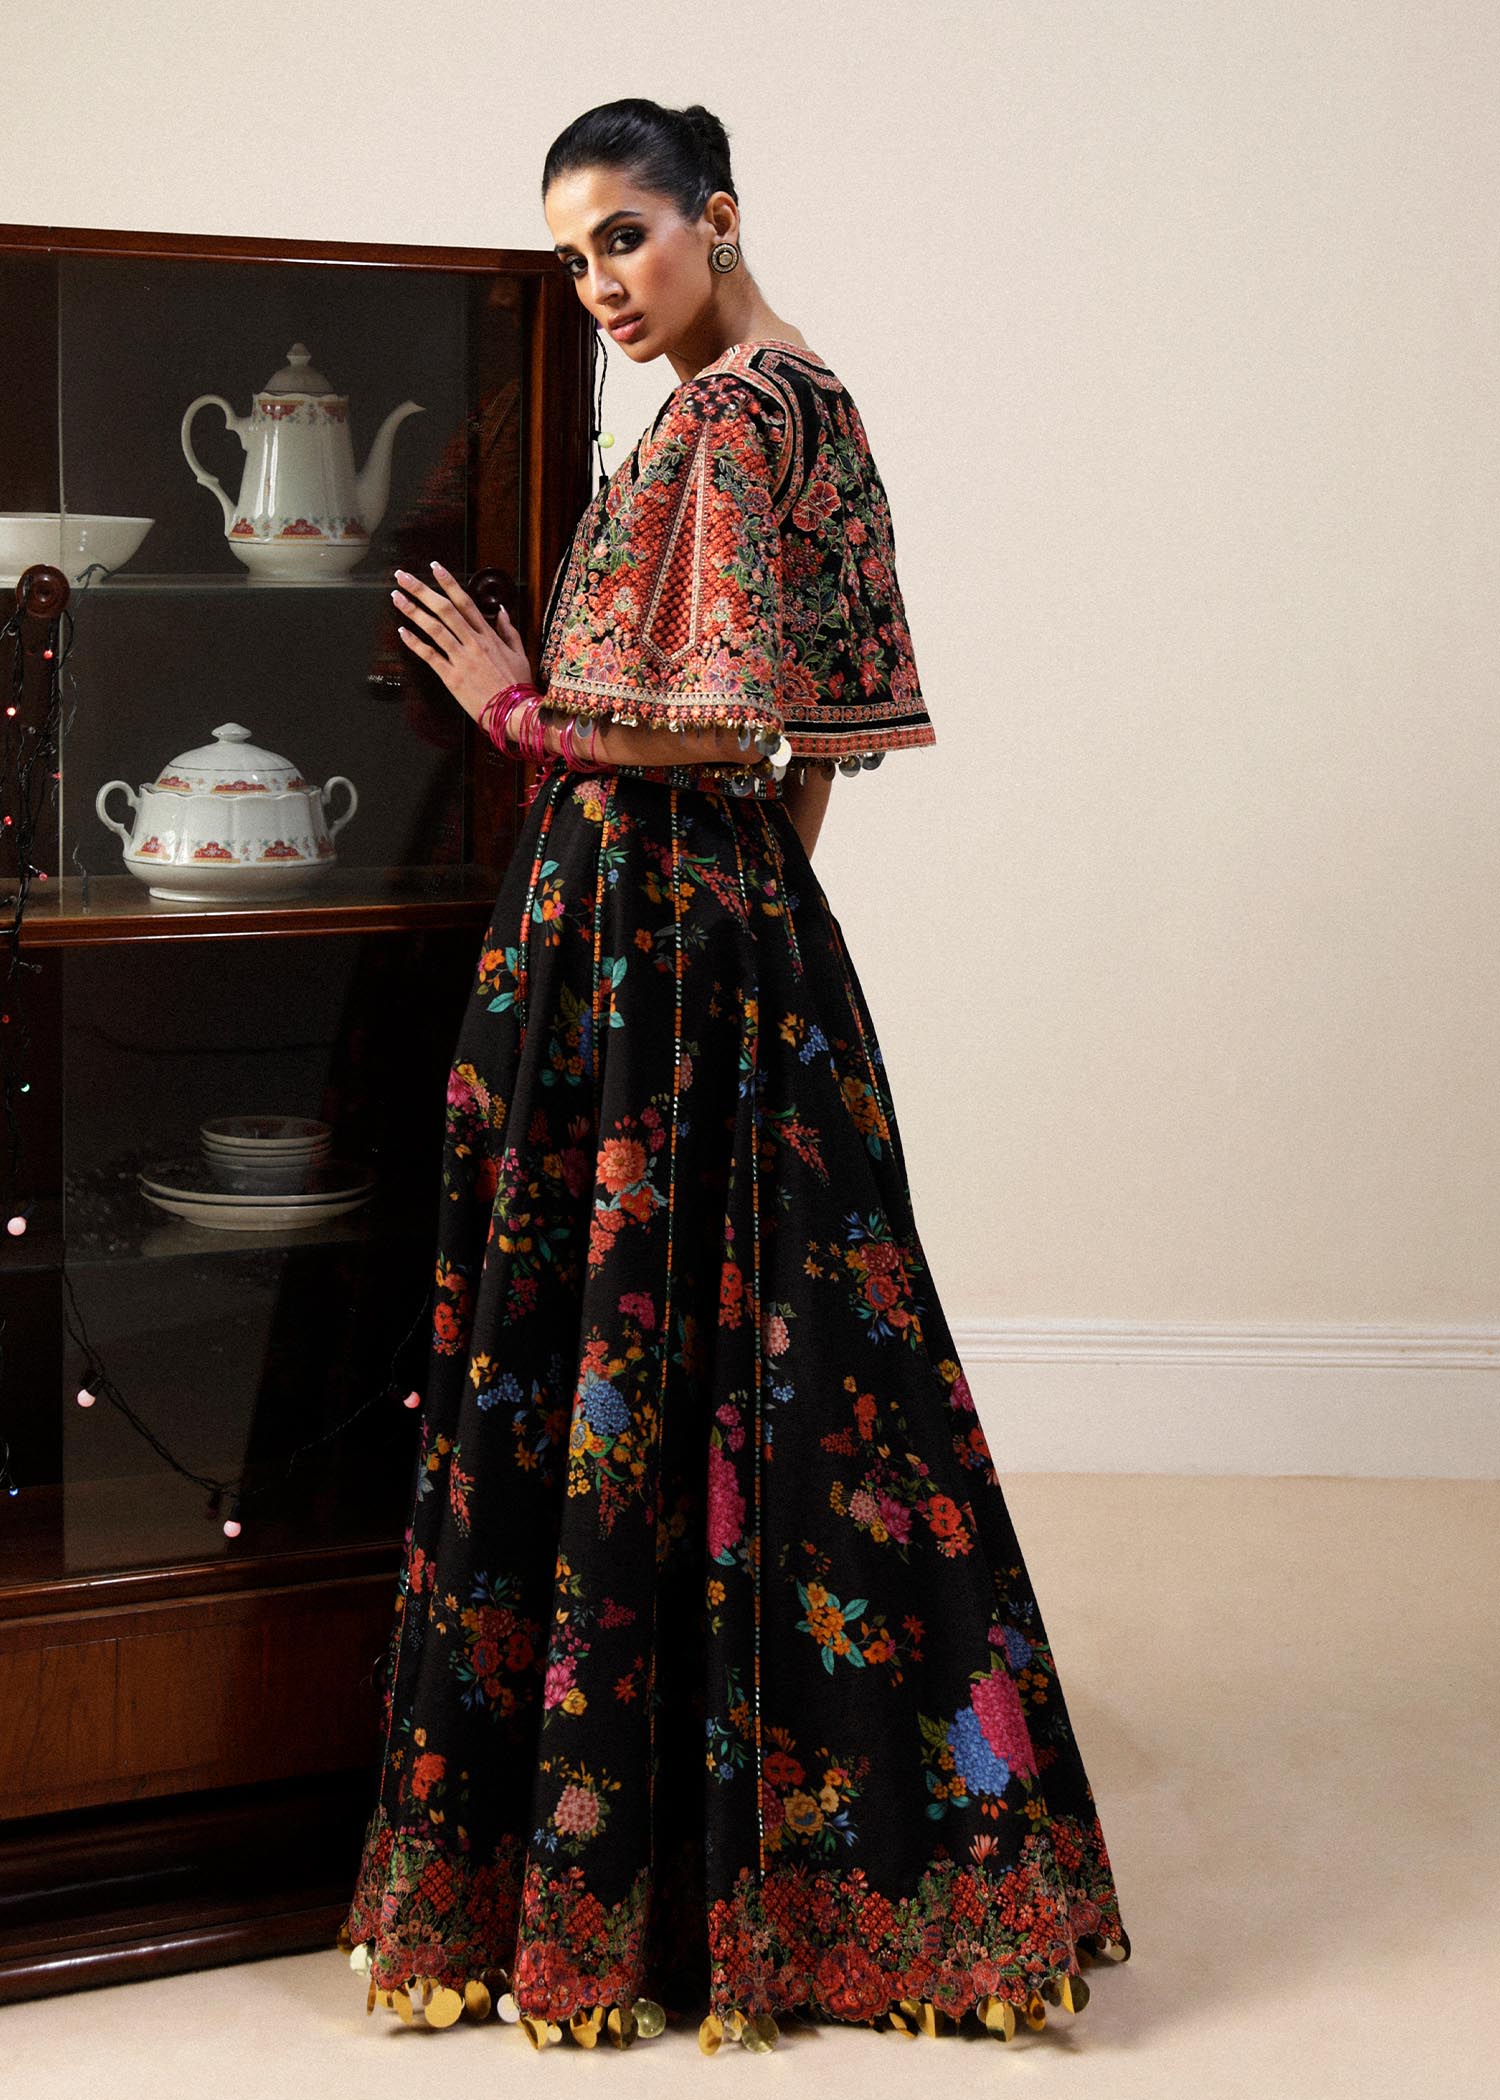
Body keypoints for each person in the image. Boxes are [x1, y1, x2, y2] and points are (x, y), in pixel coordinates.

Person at [338, 96, 1130, 2057]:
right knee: (786, 1375)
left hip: (643, 938)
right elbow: (815, 745)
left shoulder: (719, 422)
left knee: (624, 1359)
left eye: (625, 236)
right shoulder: (819, 402)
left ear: (718, 215)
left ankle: (624, 1888)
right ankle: (875, 1871)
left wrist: (514, 711)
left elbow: (712, 723)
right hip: (749, 939)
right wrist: (760, 910)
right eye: (573, 257)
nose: (602, 285)